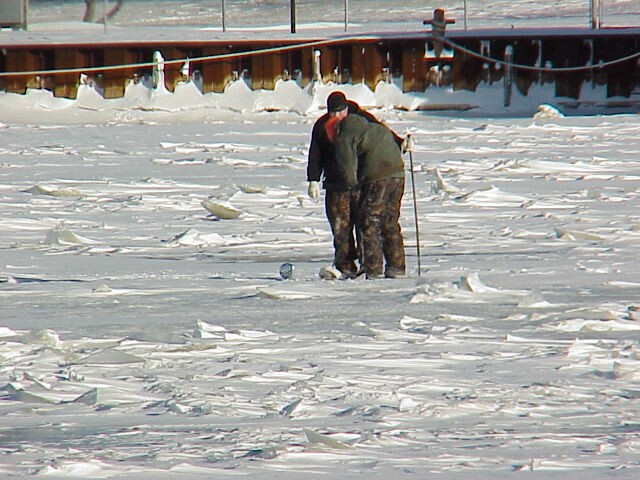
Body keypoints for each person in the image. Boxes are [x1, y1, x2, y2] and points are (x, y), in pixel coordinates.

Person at [307, 91, 401, 278]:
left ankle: (369, 264)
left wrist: (400, 143)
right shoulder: (322, 126)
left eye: (340, 112)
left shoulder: (361, 118)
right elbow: (315, 153)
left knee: (364, 223)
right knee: (340, 227)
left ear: (347, 108)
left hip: (361, 182)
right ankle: (345, 266)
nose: (337, 117)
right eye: (333, 113)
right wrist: (313, 179)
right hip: (336, 183)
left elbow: (380, 134)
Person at [332, 104, 407, 279]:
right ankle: (396, 266)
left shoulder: (346, 132)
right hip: (398, 174)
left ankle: (372, 268)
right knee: (389, 219)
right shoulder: (375, 128)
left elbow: (347, 164)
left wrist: (351, 184)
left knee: (368, 220)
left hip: (377, 177)